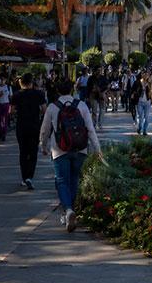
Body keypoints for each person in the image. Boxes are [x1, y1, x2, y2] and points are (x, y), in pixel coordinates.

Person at [38, 78, 102, 232]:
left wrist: (43, 146)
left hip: (60, 150)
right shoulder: (81, 105)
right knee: (74, 180)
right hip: (80, 149)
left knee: (62, 181)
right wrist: (97, 149)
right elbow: (90, 129)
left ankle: (67, 210)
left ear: (58, 91)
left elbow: (45, 130)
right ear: (72, 89)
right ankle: (70, 211)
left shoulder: (53, 107)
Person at [11, 73, 47, 190]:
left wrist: (18, 114)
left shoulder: (17, 94)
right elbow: (44, 109)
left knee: (23, 152)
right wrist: (38, 114)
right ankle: (30, 177)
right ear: (32, 82)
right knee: (33, 152)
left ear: (21, 82)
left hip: (21, 125)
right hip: (35, 125)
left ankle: (24, 177)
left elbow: (11, 111)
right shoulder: (39, 94)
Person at [0, 77, 13, 142]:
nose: (2, 81)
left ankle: (4, 135)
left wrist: (10, 106)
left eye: (4, 79)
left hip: (6, 104)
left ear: (6, 80)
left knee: (5, 120)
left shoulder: (8, 87)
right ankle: (0, 133)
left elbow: (11, 96)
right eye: (1, 79)